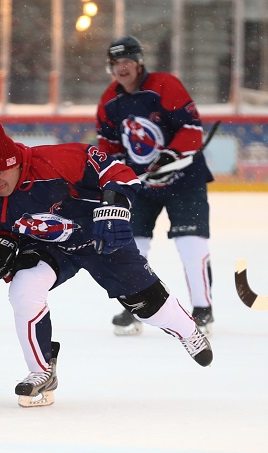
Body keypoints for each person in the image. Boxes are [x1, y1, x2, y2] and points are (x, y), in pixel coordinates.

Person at [0, 120, 213, 408]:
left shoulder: (57, 160)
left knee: (149, 307)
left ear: (15, 163)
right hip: (47, 246)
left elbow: (116, 172)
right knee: (23, 290)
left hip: (100, 238)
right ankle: (41, 370)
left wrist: (114, 207)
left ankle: (188, 331)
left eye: (1, 172)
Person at [96, 35, 215, 337]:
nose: (121, 68)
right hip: (141, 184)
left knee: (191, 245)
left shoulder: (165, 85)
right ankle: (137, 307)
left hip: (184, 178)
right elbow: (109, 148)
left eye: (127, 62)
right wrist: (118, 177)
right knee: (131, 246)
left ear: (139, 63)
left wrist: (170, 156)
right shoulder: (109, 100)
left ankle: (202, 310)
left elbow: (191, 130)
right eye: (116, 63)